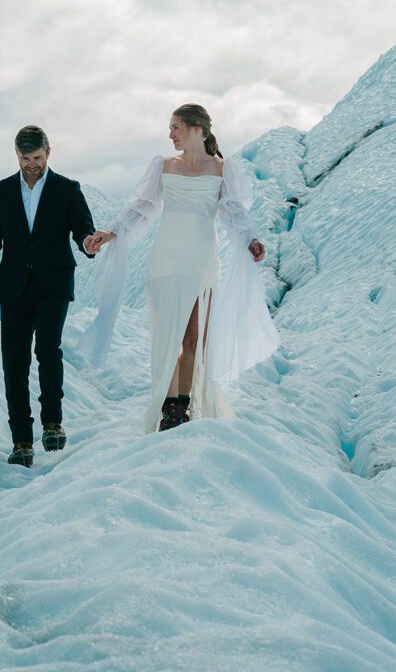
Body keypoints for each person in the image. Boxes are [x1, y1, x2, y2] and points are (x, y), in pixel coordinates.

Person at [84, 104, 279, 433]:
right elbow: (142, 208)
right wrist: (111, 232)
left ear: (197, 130)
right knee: (169, 336)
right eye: (170, 127)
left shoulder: (221, 169)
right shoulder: (163, 165)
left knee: (194, 338)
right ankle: (170, 408)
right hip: (165, 259)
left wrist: (250, 238)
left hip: (202, 260)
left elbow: (233, 212)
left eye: (176, 127)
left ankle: (178, 406)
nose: (170, 134)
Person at [0, 125, 97, 467]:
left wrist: (87, 242)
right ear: (17, 156)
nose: (32, 164)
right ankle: (21, 441)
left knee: (48, 349)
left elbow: (82, 228)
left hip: (54, 283)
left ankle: (52, 423)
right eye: (26, 159)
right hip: (14, 287)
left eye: (37, 158)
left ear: (48, 153)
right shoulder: (1, 191)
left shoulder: (68, 189)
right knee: (14, 361)